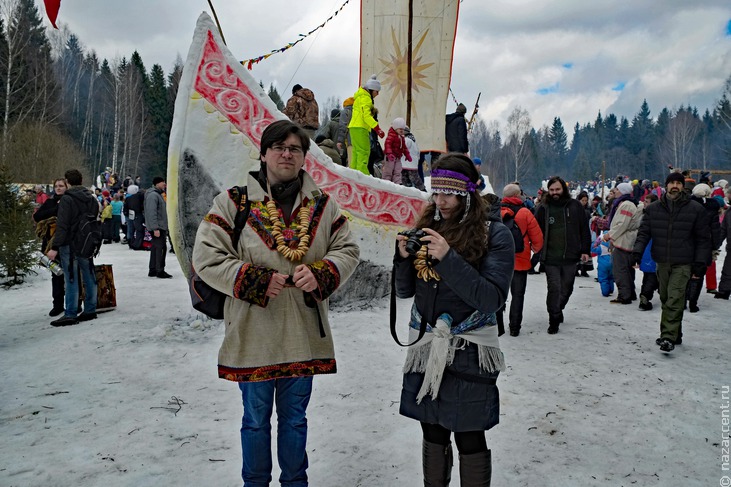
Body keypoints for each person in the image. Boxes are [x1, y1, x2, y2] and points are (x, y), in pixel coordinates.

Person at [192, 120, 359, 486]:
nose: (286, 154)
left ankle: (295, 483)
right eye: (279, 147)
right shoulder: (233, 202)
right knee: (254, 420)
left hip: (302, 333)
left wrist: (323, 272)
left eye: (295, 149)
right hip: (254, 335)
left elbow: (348, 249)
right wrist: (255, 281)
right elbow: (206, 257)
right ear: (264, 153)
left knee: (295, 419)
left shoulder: (323, 205)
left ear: (304, 158)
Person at [393, 153, 513, 486]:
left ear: (466, 193)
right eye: (436, 191)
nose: (440, 200)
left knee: (468, 436)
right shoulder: (428, 228)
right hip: (427, 346)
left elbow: (491, 298)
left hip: (469, 350)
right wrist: (402, 258)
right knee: (431, 430)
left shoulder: (495, 234)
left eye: (449, 192)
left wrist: (447, 258)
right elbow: (405, 292)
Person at [632, 172, 711, 352]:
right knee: (667, 298)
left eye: (678, 183)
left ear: (683, 186)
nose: (675, 186)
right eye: (671, 183)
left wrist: (700, 261)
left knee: (675, 298)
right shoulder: (653, 209)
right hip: (662, 261)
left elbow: (703, 239)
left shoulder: (695, 209)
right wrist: (637, 252)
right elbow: (644, 233)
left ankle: (667, 336)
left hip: (684, 261)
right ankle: (676, 332)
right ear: (666, 185)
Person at [534, 176, 591, 334]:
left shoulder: (575, 206)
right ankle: (554, 318)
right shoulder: (543, 207)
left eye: (557, 189)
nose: (554, 192)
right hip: (550, 257)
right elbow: (535, 229)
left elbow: (584, 229)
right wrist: (535, 248)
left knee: (567, 288)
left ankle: (558, 308)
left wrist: (585, 250)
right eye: (551, 190)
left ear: (563, 189)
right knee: (554, 288)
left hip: (570, 256)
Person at [46, 169, 100, 326]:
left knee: (71, 278)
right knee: (89, 275)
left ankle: (70, 313)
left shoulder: (67, 199)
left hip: (69, 243)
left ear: (68, 183)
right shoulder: (91, 198)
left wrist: (55, 246)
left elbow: (62, 225)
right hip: (87, 242)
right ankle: (90, 309)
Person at [498, 183, 543, 337]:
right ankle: (514, 326)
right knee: (518, 295)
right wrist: (535, 250)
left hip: (499, 262)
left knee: (497, 292)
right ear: (517, 195)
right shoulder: (525, 212)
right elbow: (537, 238)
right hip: (520, 261)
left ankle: (497, 324)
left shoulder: (497, 211)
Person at [33, 178, 68, 316]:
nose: (58, 188)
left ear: (67, 187)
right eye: (56, 186)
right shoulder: (51, 201)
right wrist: (56, 209)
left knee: (71, 274)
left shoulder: (69, 201)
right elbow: (37, 217)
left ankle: (74, 303)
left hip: (66, 241)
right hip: (51, 242)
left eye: (61, 186)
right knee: (56, 274)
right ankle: (57, 304)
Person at [685, 183, 722, 312]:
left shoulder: (686, 205)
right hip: (704, 245)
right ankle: (693, 304)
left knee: (685, 273)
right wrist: (716, 245)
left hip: (687, 243)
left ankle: (683, 301)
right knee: (698, 274)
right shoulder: (712, 208)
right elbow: (716, 229)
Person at [602, 182, 640, 304]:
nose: (615, 191)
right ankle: (630, 293)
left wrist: (610, 235)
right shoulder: (626, 203)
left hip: (623, 241)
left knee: (620, 269)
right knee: (627, 269)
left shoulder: (626, 205)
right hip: (624, 239)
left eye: (617, 189)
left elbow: (622, 224)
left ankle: (624, 295)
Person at [348, 75, 385, 175]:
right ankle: (363, 174)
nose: (377, 94)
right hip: (361, 127)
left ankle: (354, 172)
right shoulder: (366, 99)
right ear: (372, 90)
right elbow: (366, 116)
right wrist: (377, 128)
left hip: (353, 127)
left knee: (356, 152)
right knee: (364, 151)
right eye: (377, 91)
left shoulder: (359, 97)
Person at [144, 176, 171, 278]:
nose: (165, 184)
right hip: (158, 227)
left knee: (155, 248)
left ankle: (153, 269)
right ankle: (159, 270)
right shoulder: (153, 196)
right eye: (163, 183)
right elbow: (152, 213)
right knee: (160, 248)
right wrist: (155, 228)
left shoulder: (157, 195)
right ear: (157, 184)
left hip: (159, 226)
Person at [382, 117, 411, 184]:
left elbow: (404, 147)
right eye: (400, 129)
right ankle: (386, 182)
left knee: (397, 171)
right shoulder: (391, 136)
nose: (401, 131)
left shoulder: (401, 137)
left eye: (403, 129)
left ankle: (397, 183)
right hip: (390, 157)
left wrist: (407, 155)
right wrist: (389, 153)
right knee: (388, 170)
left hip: (398, 157)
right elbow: (387, 145)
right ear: (395, 128)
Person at [401, 126, 425, 191]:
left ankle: (422, 191)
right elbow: (417, 152)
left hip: (408, 163)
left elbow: (401, 149)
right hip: (411, 163)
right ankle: (412, 190)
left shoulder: (406, 140)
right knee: (409, 178)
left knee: (413, 178)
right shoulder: (412, 139)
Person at [714, 208, 731, 300]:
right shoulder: (729, 212)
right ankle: (724, 291)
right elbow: (723, 230)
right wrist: (716, 244)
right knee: (727, 271)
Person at [336, 97, 354, 167]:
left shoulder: (345, 111)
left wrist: (340, 141)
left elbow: (343, 126)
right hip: (359, 140)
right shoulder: (358, 111)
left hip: (350, 140)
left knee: (351, 162)